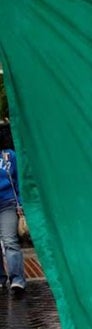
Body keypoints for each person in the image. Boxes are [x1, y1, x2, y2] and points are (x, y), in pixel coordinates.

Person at [0, 121, 25, 297]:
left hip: (7, 203)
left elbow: (19, 181)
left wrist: (21, 204)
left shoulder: (9, 156)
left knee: (10, 241)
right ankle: (0, 278)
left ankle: (17, 279)